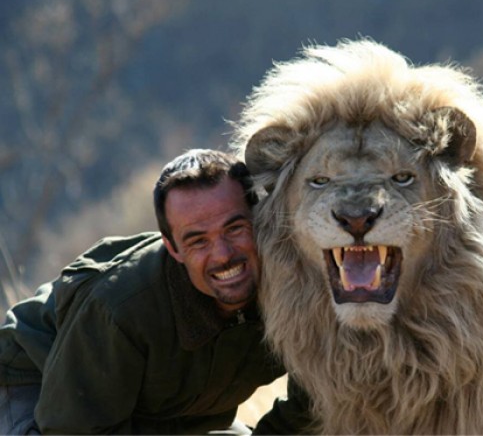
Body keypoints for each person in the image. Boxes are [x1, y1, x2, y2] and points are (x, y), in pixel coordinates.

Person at [0, 149, 312, 436]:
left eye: (234, 228)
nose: (222, 255)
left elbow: (315, 403)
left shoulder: (300, 286)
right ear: (172, 248)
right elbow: (71, 429)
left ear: (259, 220)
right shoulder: (120, 306)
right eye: (198, 241)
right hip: (37, 387)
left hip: (161, 412)